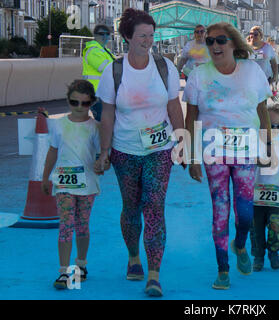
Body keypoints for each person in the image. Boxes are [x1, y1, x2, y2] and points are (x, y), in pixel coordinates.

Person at [94, 8, 184, 297]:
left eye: (151, 36)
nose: (148, 41)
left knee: (154, 207)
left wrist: (182, 143)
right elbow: (107, 114)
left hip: (159, 149)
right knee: (131, 207)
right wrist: (104, 151)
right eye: (142, 36)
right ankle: (134, 257)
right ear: (127, 38)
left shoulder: (164, 67)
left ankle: (154, 274)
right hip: (125, 150)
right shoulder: (114, 71)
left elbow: (173, 106)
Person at [183, 22, 273, 290]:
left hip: (246, 151)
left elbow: (263, 111)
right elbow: (191, 119)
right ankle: (223, 269)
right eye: (210, 42)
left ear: (233, 43)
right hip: (214, 152)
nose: (215, 46)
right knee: (220, 211)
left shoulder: (252, 70)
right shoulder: (198, 75)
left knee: (245, 213)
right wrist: (192, 157)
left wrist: (268, 147)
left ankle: (240, 245)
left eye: (220, 40)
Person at [42, 80, 102, 289]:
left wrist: (102, 164)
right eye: (74, 102)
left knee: (82, 224)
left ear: (92, 103)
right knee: (66, 224)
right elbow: (52, 151)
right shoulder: (58, 125)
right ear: (67, 101)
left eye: (84, 104)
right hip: (63, 183)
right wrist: (45, 177)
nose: (78, 107)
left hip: (87, 184)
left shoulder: (95, 128)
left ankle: (81, 265)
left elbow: (102, 155)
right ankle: (64, 271)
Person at [249, 103, 279, 271]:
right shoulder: (254, 147)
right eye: (270, 126)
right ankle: (258, 256)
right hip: (256, 197)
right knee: (256, 226)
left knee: (275, 226)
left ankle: (274, 253)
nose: (274, 130)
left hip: (275, 197)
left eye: (278, 126)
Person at [82, 24, 115, 122]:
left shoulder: (105, 51)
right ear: (95, 36)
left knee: (108, 124)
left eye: (107, 34)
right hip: (96, 95)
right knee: (104, 124)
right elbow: (107, 68)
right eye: (101, 34)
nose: (105, 37)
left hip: (104, 94)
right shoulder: (93, 51)